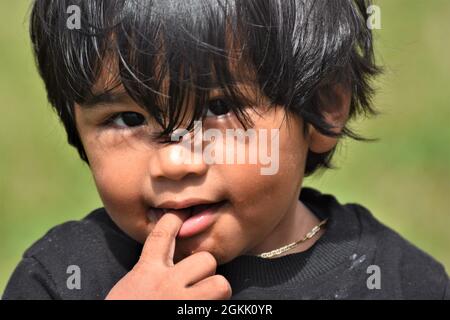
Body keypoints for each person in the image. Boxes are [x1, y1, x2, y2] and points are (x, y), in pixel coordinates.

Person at [3, 0, 449, 299]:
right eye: (129, 119)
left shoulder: (399, 281)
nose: (174, 161)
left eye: (218, 107)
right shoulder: (62, 278)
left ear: (323, 106)